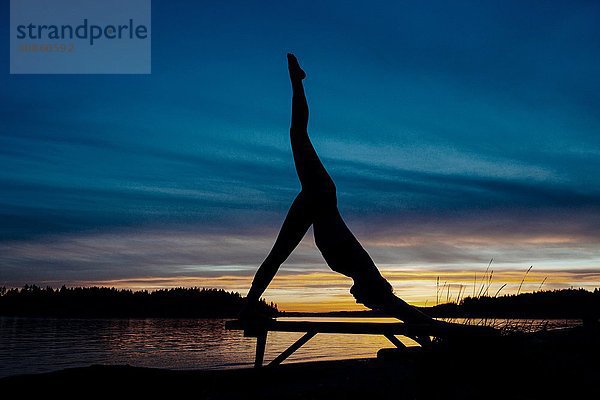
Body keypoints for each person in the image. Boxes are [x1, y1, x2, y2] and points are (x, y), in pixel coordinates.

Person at [243, 54, 491, 337]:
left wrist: (419, 326)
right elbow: (401, 308)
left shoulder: (357, 271)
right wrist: (442, 330)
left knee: (277, 255)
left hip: (315, 204)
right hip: (320, 196)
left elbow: (399, 309)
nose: (357, 301)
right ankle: (296, 81)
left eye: (362, 303)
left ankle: (249, 304)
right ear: (371, 290)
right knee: (297, 134)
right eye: (365, 301)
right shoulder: (363, 270)